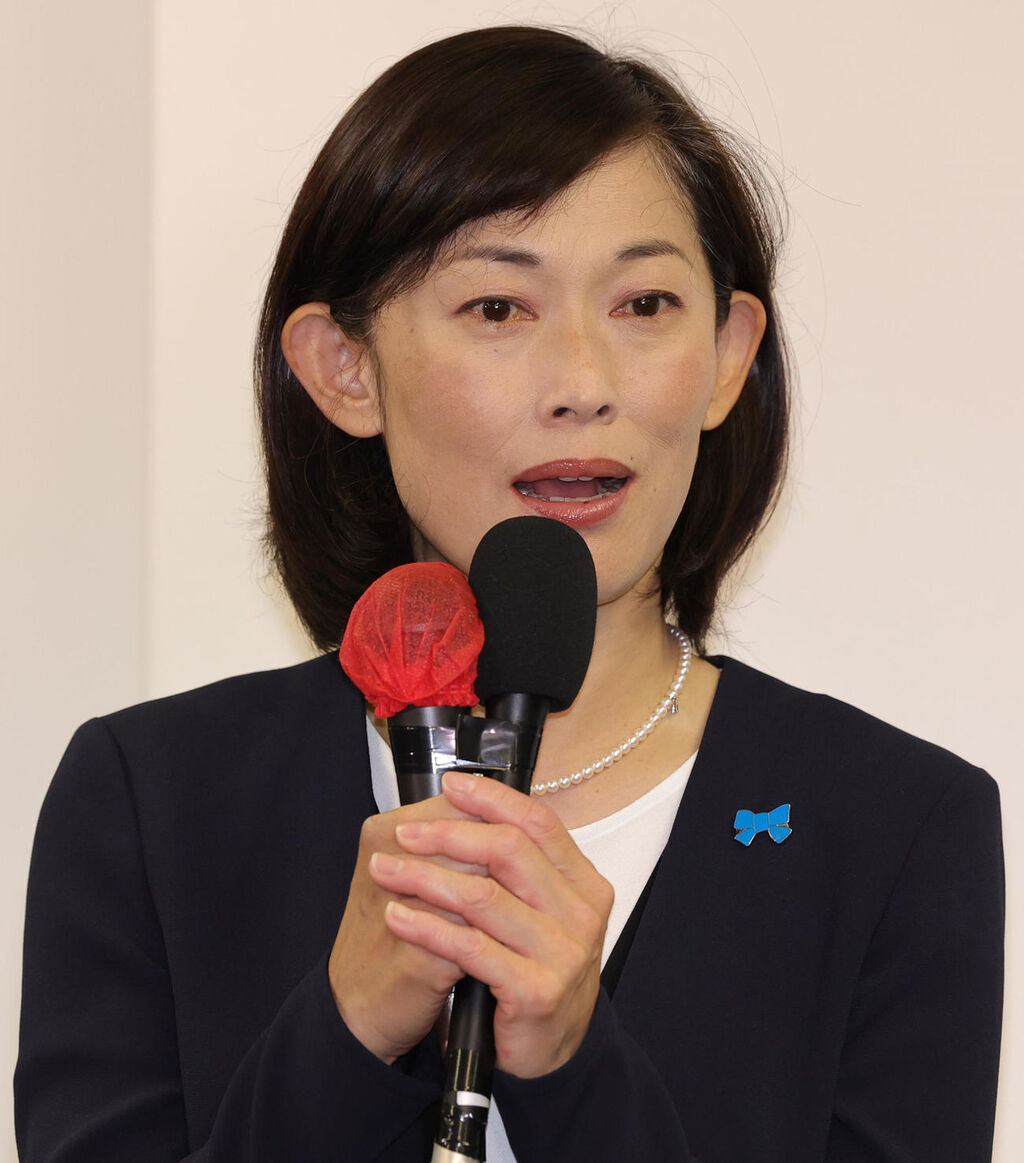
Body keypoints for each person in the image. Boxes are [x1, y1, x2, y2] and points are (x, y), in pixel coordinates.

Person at [15, 25, 1003, 1163]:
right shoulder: (153, 802)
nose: (582, 383)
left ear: (729, 356)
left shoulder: (894, 826)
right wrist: (344, 1032)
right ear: (345, 368)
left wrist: (574, 1065)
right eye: (498, 308)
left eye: (644, 305)